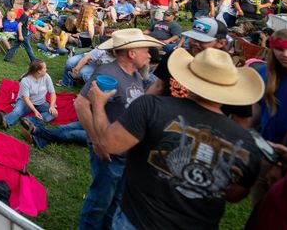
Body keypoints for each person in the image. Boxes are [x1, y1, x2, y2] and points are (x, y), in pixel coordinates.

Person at [86, 47, 264, 230]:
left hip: (138, 221)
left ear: (187, 78)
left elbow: (110, 144)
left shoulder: (151, 107)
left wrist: (98, 104)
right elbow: (235, 195)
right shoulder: (246, 143)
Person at [74, 28, 164, 230]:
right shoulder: (108, 73)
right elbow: (81, 104)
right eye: (146, 50)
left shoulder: (135, 75)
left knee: (117, 200)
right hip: (109, 152)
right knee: (100, 202)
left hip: (126, 152)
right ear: (131, 53)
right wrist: (97, 142)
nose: (150, 55)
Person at [249, 28, 287, 204]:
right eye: (280, 49)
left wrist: (280, 164)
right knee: (261, 209)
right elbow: (256, 111)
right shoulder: (265, 74)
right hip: (266, 152)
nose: (286, 54)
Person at [0, 59, 57, 131]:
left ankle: (29, 121)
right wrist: (35, 111)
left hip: (41, 103)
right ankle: (5, 122)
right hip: (25, 102)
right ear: (39, 71)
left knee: (54, 113)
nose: (46, 69)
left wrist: (52, 106)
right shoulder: (25, 80)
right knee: (17, 111)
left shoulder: (46, 77)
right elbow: (26, 98)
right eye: (45, 68)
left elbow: (52, 93)